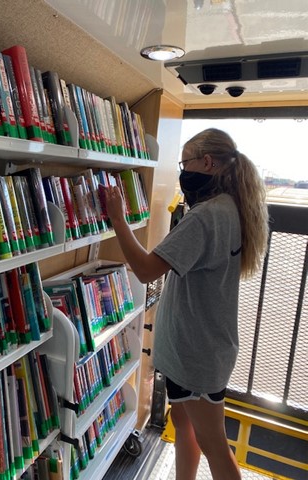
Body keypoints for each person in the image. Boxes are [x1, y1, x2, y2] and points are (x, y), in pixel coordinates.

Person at [104, 128, 269, 480]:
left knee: (214, 445)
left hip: (196, 356)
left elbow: (147, 270)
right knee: (184, 423)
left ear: (206, 162)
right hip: (202, 349)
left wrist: (118, 218)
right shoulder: (230, 208)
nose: (183, 169)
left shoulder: (207, 216)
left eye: (185, 161)